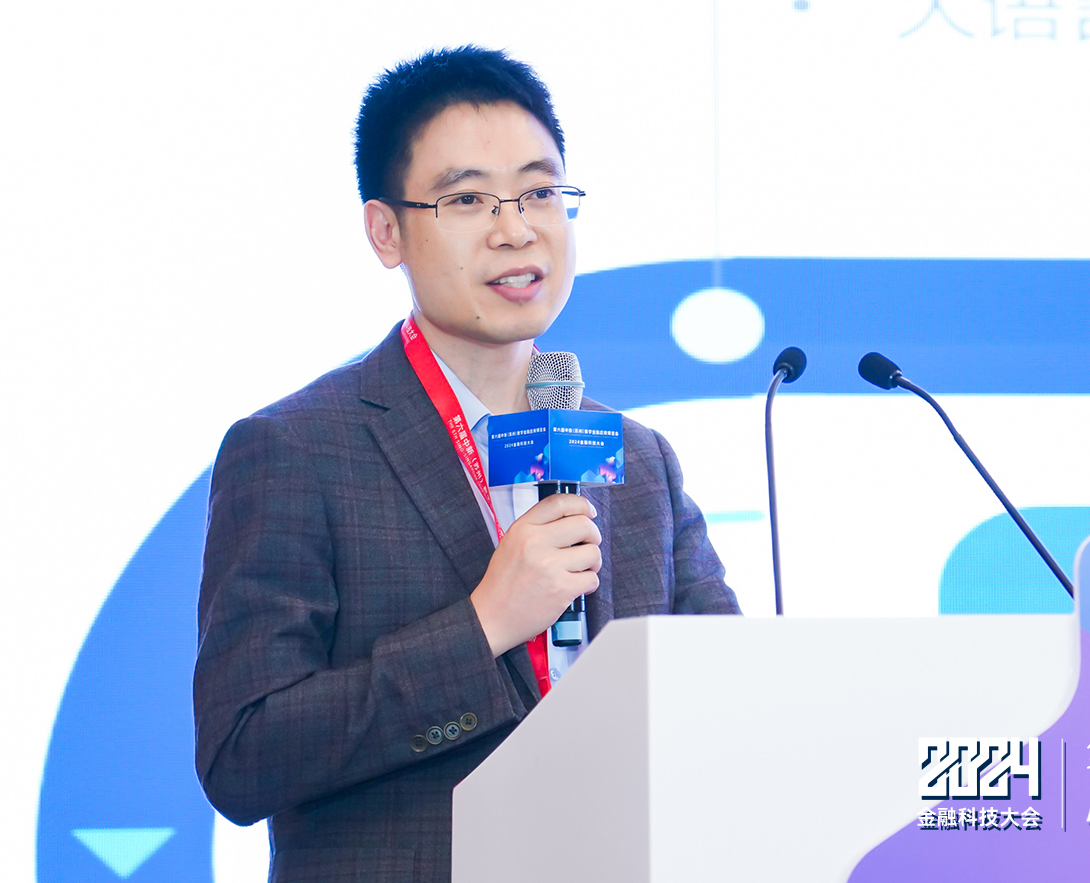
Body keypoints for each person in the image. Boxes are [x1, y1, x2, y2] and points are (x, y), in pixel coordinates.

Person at [193, 45, 740, 882]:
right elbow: (245, 756)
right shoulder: (296, 449)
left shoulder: (640, 461)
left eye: (540, 192)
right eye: (467, 199)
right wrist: (484, 624)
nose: (515, 229)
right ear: (386, 232)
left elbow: (726, 701)